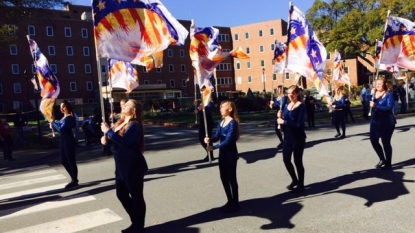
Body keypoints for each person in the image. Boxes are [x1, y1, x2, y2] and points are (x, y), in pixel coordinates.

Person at [101, 99, 148, 233]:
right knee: (121, 194)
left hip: (133, 166)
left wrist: (108, 131)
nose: (124, 106)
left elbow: (126, 142)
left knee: (136, 196)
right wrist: (106, 141)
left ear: (133, 111)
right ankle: (135, 220)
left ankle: (139, 225)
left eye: (127, 105)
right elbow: (117, 142)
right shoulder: (120, 123)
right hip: (121, 167)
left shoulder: (134, 125)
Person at [205, 100, 241, 213]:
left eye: (222, 107)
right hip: (223, 155)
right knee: (224, 178)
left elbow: (229, 140)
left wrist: (214, 148)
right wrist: (210, 139)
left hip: (230, 154)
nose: (220, 108)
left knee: (231, 178)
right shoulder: (221, 121)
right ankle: (229, 200)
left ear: (229, 109)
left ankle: (236, 202)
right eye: (220, 106)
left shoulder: (232, 123)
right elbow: (217, 136)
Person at [277, 85, 306, 193]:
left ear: (298, 93)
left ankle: (301, 184)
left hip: (298, 138)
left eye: (293, 93)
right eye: (289, 93)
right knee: (286, 160)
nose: (290, 95)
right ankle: (294, 180)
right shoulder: (286, 106)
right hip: (287, 138)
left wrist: (284, 121)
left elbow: (299, 124)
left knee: (297, 161)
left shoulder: (301, 106)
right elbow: (283, 122)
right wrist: (279, 116)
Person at [50, 100, 79, 189]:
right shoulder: (64, 117)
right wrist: (53, 124)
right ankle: (74, 178)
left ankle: (74, 180)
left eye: (63, 107)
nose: (61, 109)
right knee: (63, 161)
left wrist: (53, 123)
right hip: (63, 141)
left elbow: (61, 129)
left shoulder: (70, 118)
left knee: (71, 161)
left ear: (68, 108)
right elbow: (60, 128)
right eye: (61, 107)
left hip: (69, 141)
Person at [370, 78, 396, 170]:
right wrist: (371, 95)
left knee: (385, 141)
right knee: (373, 140)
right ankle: (382, 159)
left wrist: (376, 105)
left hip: (387, 121)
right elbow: (369, 105)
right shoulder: (373, 94)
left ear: (384, 84)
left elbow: (389, 107)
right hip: (375, 120)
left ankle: (388, 162)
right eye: (376, 84)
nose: (377, 86)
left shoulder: (389, 94)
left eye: (379, 84)